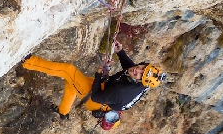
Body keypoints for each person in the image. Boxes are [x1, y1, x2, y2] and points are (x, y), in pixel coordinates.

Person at [22, 41, 166, 129]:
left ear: (140, 81)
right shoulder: (143, 80)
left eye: (141, 73)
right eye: (143, 68)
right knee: (72, 84)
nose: (138, 70)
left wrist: (99, 73)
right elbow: (130, 68)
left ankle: (28, 62)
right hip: (106, 95)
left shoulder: (121, 92)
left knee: (68, 71)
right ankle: (63, 112)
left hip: (97, 100)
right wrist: (120, 52)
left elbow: (97, 97)